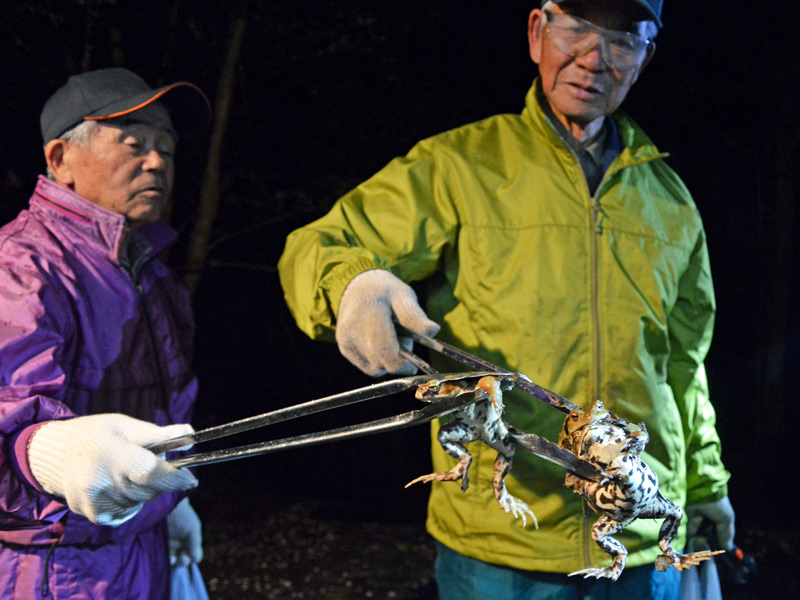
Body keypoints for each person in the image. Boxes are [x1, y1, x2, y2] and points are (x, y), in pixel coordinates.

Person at [279, 0, 736, 598]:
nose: (593, 58)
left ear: (645, 57)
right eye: (575, 29)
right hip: (498, 545)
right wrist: (352, 284)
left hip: (640, 541)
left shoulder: (669, 200)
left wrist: (705, 484)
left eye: (622, 40)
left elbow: (683, 365)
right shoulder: (459, 166)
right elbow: (320, 244)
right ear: (536, 32)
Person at [0, 68, 210, 599]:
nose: (158, 161)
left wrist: (173, 506)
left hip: (141, 546)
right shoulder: (22, 266)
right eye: (133, 142)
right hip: (50, 567)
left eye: (167, 147)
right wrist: (48, 452)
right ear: (59, 160)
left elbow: (169, 412)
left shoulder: (151, 270)